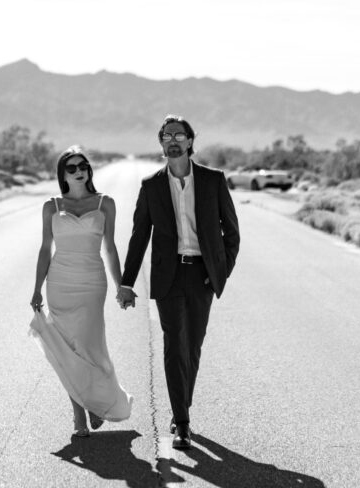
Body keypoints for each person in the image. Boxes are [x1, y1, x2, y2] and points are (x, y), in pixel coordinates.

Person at [117, 115, 240, 450]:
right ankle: (182, 422)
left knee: (193, 347)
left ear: (189, 141)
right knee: (174, 346)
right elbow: (139, 236)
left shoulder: (213, 180)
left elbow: (232, 233)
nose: (172, 140)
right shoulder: (151, 186)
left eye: (179, 135)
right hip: (168, 274)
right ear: (161, 142)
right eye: (166, 135)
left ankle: (181, 406)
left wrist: (219, 271)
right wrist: (127, 283)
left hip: (201, 274)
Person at [29, 146, 133, 438]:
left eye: (82, 166)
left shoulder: (105, 204)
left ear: (89, 170)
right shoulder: (51, 206)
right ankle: (79, 416)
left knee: (90, 347)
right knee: (67, 350)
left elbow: (110, 248)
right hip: (59, 283)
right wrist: (37, 288)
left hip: (91, 283)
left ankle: (95, 402)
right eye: (71, 168)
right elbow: (44, 250)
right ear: (62, 174)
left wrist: (121, 285)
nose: (78, 171)